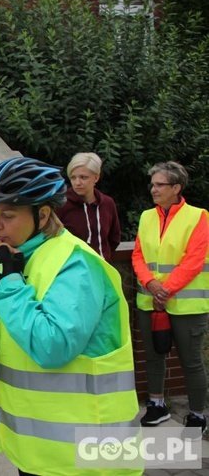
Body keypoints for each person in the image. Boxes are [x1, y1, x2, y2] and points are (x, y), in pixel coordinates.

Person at [0, 157, 140, 476]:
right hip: (41, 450)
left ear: (44, 214)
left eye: (7, 215)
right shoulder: (21, 254)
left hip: (86, 454)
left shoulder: (76, 264)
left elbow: (53, 347)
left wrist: (9, 284)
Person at [132, 161, 208, 435]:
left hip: (187, 306)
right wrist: (151, 283)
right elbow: (138, 255)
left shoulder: (199, 216)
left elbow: (194, 260)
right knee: (153, 358)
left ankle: (197, 416)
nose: (153, 189)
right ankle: (157, 405)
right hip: (149, 302)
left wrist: (165, 290)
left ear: (176, 188)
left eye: (159, 184)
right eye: (152, 184)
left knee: (190, 362)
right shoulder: (146, 216)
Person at [57, 152, 121, 263]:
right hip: (72, 271)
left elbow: (113, 239)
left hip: (102, 269)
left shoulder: (107, 204)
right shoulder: (61, 204)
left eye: (83, 177)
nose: (77, 183)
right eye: (73, 177)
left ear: (96, 177)